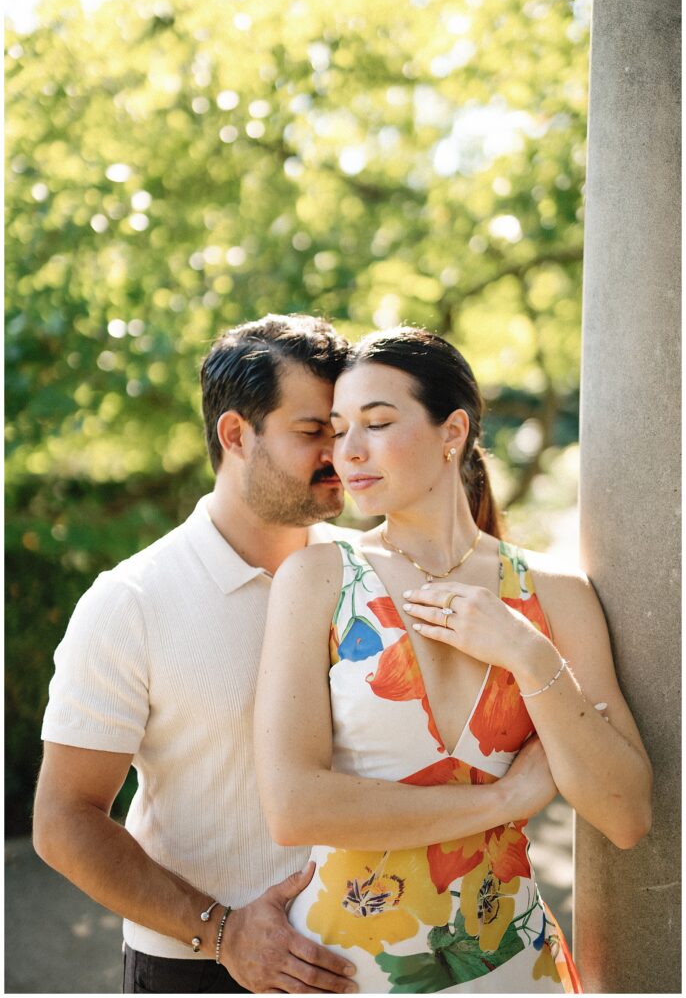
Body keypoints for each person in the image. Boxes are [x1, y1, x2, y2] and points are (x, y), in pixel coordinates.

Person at [255, 326, 653, 994]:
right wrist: (506, 800)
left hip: (513, 969)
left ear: (453, 431)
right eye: (339, 429)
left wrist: (528, 654)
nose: (349, 451)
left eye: (377, 423)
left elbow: (626, 814)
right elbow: (294, 807)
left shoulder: (554, 593)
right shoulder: (319, 577)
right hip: (349, 972)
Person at [33, 314, 362, 994]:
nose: (342, 452)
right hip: (199, 968)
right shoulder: (131, 601)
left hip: (369, 960)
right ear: (236, 434)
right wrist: (223, 932)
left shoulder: (372, 574)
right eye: (312, 431)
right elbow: (64, 821)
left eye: (346, 428)